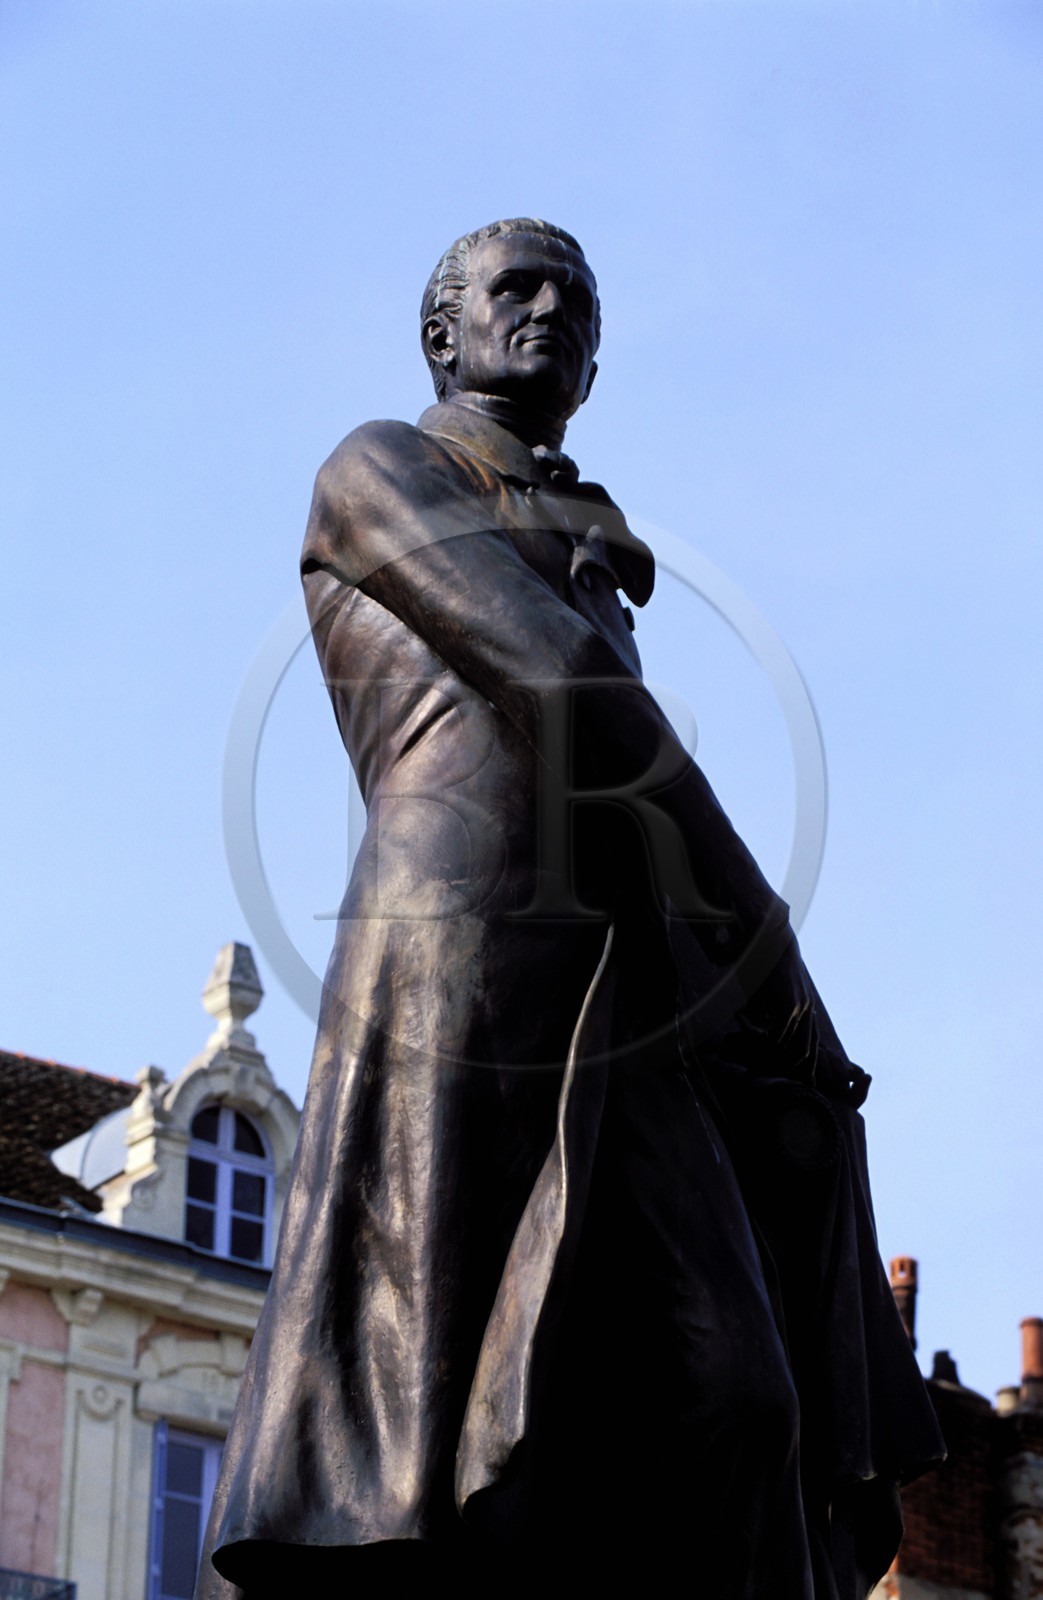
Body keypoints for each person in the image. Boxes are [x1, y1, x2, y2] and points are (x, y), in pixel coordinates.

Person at [197, 219, 942, 1600]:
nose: (549, 312)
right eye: (517, 289)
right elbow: (555, 677)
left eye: (577, 301)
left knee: (744, 1395)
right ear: (445, 333)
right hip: (461, 960)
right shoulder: (379, 466)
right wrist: (754, 905)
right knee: (454, 1416)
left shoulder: (587, 530)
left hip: (634, 985)